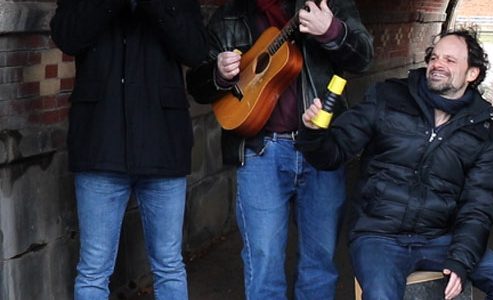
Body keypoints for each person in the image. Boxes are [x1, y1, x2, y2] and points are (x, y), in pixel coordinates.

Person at [297, 29, 493, 300]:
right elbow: (331, 154)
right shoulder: (388, 97)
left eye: (450, 60)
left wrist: (461, 259)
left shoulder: (483, 132)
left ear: (472, 74)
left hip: (439, 238)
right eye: (434, 57)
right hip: (379, 236)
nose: (437, 64)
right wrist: (314, 134)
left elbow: (478, 207)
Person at [185, 0, 373, 298]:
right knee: (263, 259)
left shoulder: (329, 4)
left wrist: (332, 32)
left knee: (319, 260)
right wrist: (218, 75)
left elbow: (364, 58)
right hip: (260, 151)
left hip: (321, 148)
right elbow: (196, 83)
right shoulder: (229, 16)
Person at [50, 0, 207, 298]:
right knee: (94, 270)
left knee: (169, 265)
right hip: (100, 141)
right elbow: (66, 37)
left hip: (163, 141)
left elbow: (196, 50)